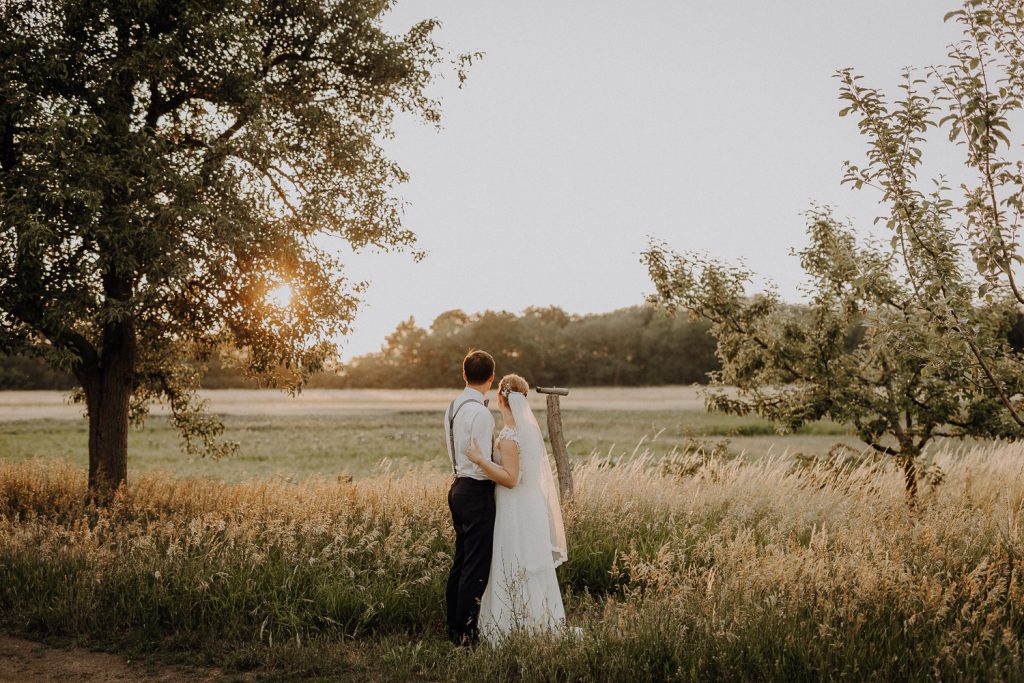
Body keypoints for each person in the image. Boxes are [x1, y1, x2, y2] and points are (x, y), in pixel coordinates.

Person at [466, 373, 567, 645]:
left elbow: (511, 479)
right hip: (529, 506)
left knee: (512, 559)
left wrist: (479, 460)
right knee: (527, 562)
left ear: (501, 396)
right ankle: (536, 620)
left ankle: (511, 627)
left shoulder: (510, 436)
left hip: (514, 509)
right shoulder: (526, 431)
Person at [444, 349, 497, 646]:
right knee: (475, 566)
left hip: (457, 487)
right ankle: (466, 633)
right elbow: (484, 462)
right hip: (476, 491)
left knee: (461, 561)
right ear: (491, 378)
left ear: (464, 374)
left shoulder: (452, 407)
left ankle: (453, 626)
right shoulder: (481, 413)